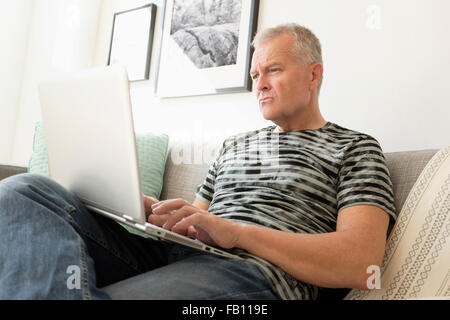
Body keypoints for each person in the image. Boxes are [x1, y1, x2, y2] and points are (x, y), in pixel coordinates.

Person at [0, 23, 396, 300]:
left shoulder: (354, 148)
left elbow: (360, 264)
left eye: (273, 70)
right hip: (175, 258)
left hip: (255, 274)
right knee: (24, 191)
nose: (259, 84)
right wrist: (149, 211)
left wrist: (237, 233)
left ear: (314, 75)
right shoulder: (234, 145)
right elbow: (195, 221)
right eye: (256, 73)